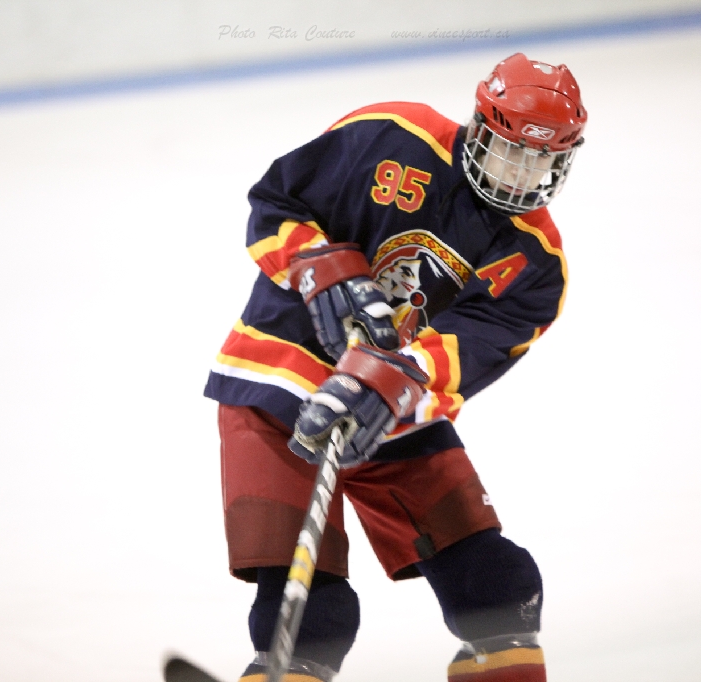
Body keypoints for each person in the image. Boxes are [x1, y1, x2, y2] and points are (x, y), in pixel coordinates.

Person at [204, 53, 587, 682]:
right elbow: (275, 204)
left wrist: (386, 381)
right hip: (279, 381)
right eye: (509, 151)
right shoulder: (391, 135)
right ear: (479, 127)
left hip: (389, 413)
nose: (521, 175)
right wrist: (319, 268)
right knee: (312, 617)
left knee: (498, 591)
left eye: (541, 160)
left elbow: (461, 356)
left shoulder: (537, 264)